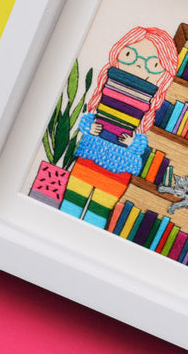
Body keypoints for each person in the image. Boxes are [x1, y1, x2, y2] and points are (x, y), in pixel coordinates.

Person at [59, 26, 178, 228]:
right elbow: (89, 117)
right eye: (130, 55)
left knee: (98, 214)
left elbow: (140, 140)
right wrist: (89, 128)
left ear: (164, 70)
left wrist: (133, 142)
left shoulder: (149, 102)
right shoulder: (109, 84)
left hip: (119, 167)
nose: (140, 67)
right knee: (71, 203)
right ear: (119, 51)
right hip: (90, 156)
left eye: (154, 64)